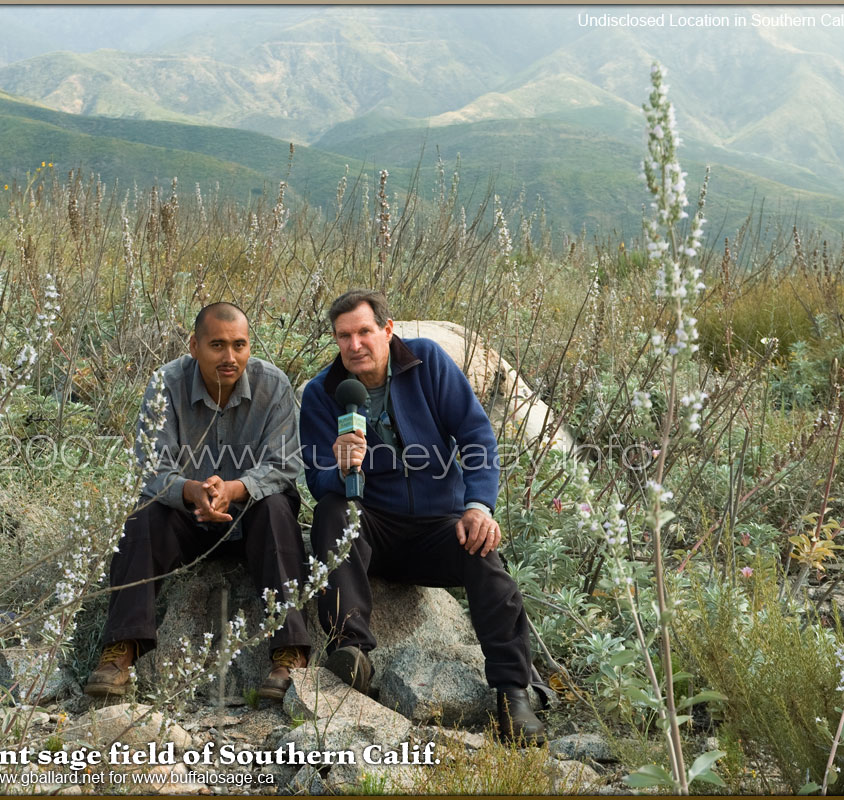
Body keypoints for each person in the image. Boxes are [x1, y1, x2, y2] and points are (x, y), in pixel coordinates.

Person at [298, 289, 546, 743]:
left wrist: (478, 506)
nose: (355, 345)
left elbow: (474, 434)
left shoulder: (427, 362)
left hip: (438, 526)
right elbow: (317, 482)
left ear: (387, 331)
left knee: (485, 554)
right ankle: (351, 652)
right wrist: (339, 466)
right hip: (373, 529)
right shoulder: (322, 394)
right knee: (333, 512)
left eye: (364, 332)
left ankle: (513, 695)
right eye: (344, 336)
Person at [85, 302, 309, 702]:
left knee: (277, 506)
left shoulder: (272, 385)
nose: (230, 357)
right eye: (217, 345)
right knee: (141, 513)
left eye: (239, 345)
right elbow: (151, 467)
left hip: (251, 518)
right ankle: (120, 650)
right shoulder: (166, 384)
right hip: (187, 518)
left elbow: (284, 464)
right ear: (194, 345)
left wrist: (235, 488)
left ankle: (288, 653)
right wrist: (191, 491)